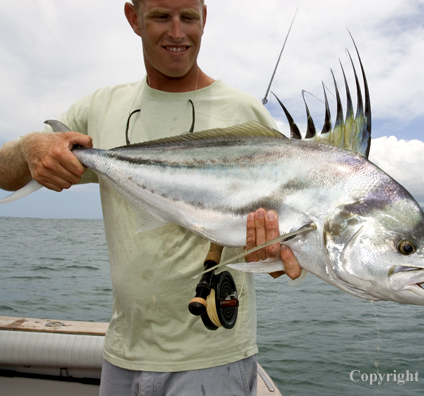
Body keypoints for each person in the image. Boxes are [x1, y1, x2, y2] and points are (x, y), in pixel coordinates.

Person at [0, 1, 301, 395]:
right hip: (122, 352)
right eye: (161, 16)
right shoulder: (99, 108)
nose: (177, 33)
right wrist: (30, 148)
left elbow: (283, 255)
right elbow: (7, 174)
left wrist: (276, 254)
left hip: (212, 358)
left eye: (188, 17)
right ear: (133, 18)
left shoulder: (244, 112)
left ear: (204, 18)